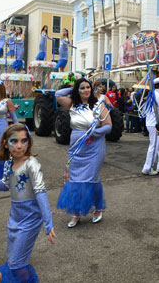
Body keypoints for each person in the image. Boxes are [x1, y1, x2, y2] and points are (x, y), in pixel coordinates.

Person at [0, 124, 56, 282]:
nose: (20, 146)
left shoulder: (32, 164)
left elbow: (40, 192)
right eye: (14, 141)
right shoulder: (8, 163)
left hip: (30, 219)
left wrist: (48, 221)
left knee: (16, 263)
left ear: (29, 142)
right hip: (15, 219)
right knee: (15, 262)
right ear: (5, 143)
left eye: (24, 141)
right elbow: (5, 185)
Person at [55, 79, 112, 227]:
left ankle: (98, 209)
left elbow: (108, 126)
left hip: (94, 147)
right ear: (77, 91)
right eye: (82, 88)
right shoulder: (72, 104)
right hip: (76, 146)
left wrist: (94, 132)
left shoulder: (99, 105)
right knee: (75, 179)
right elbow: (58, 93)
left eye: (88, 87)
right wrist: (73, 89)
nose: (86, 90)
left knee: (91, 179)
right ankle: (76, 213)